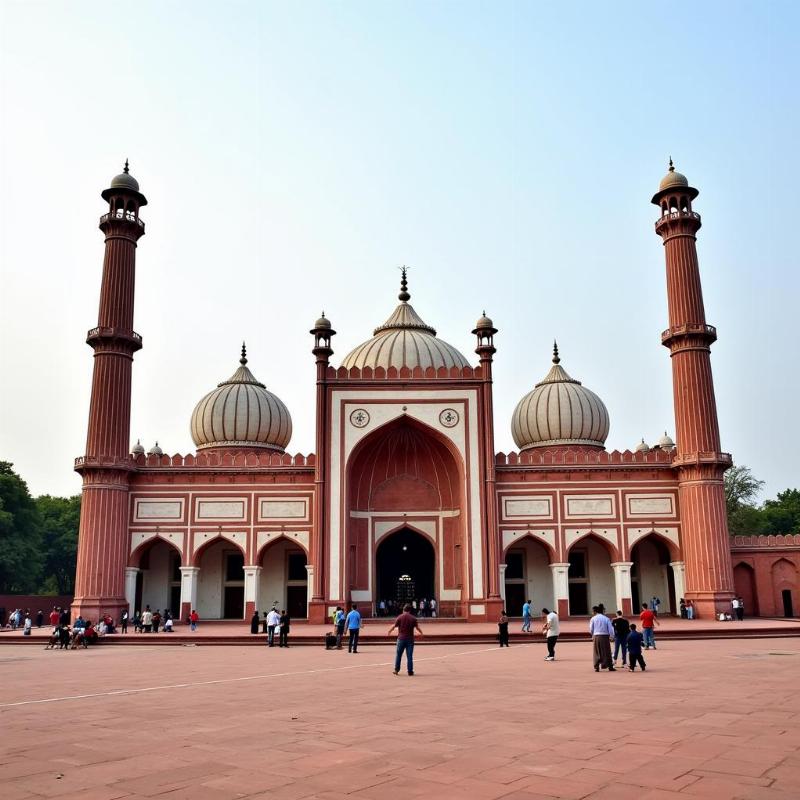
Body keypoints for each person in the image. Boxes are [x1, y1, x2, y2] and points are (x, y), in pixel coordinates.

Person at [389, 603, 423, 675]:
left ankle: (396, 670)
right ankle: (410, 671)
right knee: (409, 656)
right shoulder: (413, 618)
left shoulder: (400, 617)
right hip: (410, 639)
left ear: (403, 610)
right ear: (410, 610)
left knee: (398, 655)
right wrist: (421, 633)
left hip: (401, 638)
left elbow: (394, 626)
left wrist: (389, 631)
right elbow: (417, 628)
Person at [589, 606, 616, 672]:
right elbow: (610, 629)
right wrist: (612, 636)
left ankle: (596, 667)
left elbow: (591, 629)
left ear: (596, 611)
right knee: (606, 652)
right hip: (605, 636)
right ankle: (609, 666)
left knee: (596, 651)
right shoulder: (606, 618)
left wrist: (592, 635)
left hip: (596, 636)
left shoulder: (593, 618)